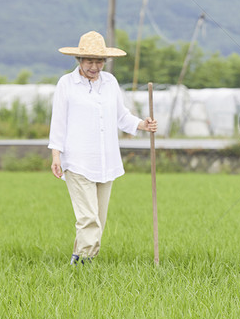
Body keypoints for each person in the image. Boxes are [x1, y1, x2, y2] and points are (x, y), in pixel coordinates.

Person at [48, 31, 158, 265]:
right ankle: (84, 264)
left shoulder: (110, 82)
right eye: (90, 61)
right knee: (88, 218)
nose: (95, 66)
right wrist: (55, 155)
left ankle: (77, 260)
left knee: (99, 218)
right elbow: (58, 121)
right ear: (79, 60)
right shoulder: (66, 84)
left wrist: (142, 124)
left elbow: (121, 116)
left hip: (106, 160)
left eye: (99, 61)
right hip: (77, 160)